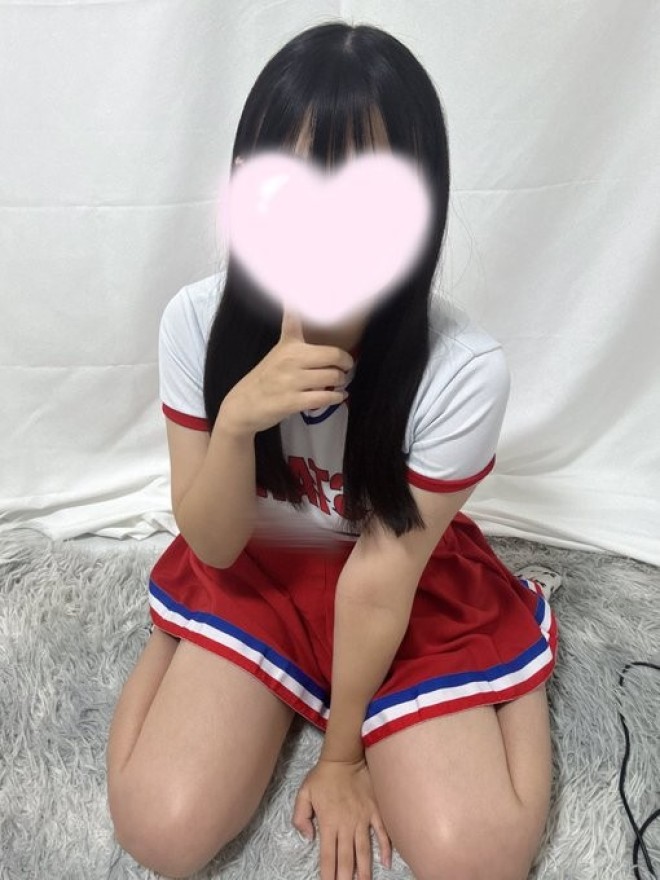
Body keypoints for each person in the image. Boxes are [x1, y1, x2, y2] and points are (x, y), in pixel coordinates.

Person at [106, 20, 560, 880]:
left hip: (399, 584)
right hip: (261, 562)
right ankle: (181, 636)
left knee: (480, 859)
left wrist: (343, 753)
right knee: (157, 829)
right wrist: (237, 421)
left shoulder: (463, 369)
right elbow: (215, 543)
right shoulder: (195, 323)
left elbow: (380, 582)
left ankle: (524, 643)